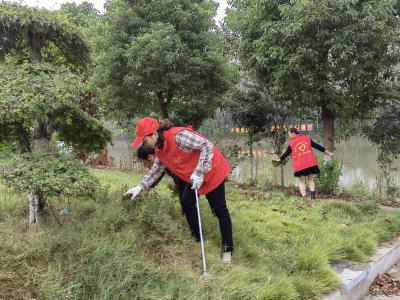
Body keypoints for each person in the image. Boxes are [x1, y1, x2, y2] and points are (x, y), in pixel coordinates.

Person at [125, 117, 233, 262]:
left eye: (145, 141)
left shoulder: (178, 136)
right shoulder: (159, 149)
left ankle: (228, 250)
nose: (145, 145)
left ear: (154, 134)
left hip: (212, 170)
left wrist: (200, 172)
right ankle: (199, 239)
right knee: (187, 202)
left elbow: (206, 146)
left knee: (219, 209)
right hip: (193, 176)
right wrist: (139, 187)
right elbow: (156, 170)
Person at [275, 127, 334, 199]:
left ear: (293, 133)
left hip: (300, 165)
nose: (289, 136)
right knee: (310, 179)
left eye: (289, 134)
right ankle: (312, 198)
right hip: (310, 163)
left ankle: (304, 197)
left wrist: (279, 159)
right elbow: (318, 146)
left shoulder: (292, 143)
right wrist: (329, 153)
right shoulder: (307, 138)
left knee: (301, 181)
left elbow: (286, 153)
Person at [137, 144, 187, 214]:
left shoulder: (166, 156)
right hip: (185, 180)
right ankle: (185, 218)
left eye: (144, 163)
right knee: (186, 202)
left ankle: (187, 219)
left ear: (149, 157)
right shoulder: (160, 162)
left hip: (193, 177)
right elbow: (155, 179)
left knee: (186, 202)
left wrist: (177, 184)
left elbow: (181, 171)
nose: (145, 166)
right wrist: (142, 190)